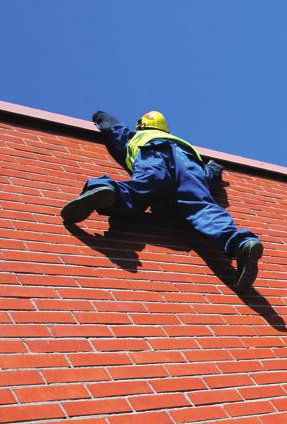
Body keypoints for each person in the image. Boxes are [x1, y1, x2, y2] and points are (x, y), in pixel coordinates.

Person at [61, 110, 263, 290]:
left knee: (141, 190)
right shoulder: (184, 145)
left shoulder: (138, 136)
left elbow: (114, 130)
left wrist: (100, 117)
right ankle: (241, 244)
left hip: (153, 155)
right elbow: (209, 173)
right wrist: (214, 171)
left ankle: (105, 189)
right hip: (190, 166)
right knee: (202, 208)